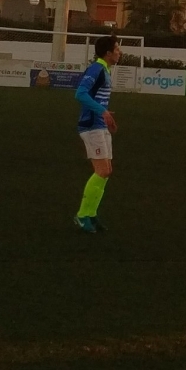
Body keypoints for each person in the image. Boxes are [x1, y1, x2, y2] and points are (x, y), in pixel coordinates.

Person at [73, 36, 121, 233]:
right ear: (108, 53)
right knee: (101, 171)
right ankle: (82, 215)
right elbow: (80, 93)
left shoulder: (105, 69)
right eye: (117, 49)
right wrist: (102, 112)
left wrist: (107, 115)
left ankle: (91, 214)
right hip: (92, 125)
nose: (119, 52)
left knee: (106, 172)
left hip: (100, 124)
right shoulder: (97, 69)